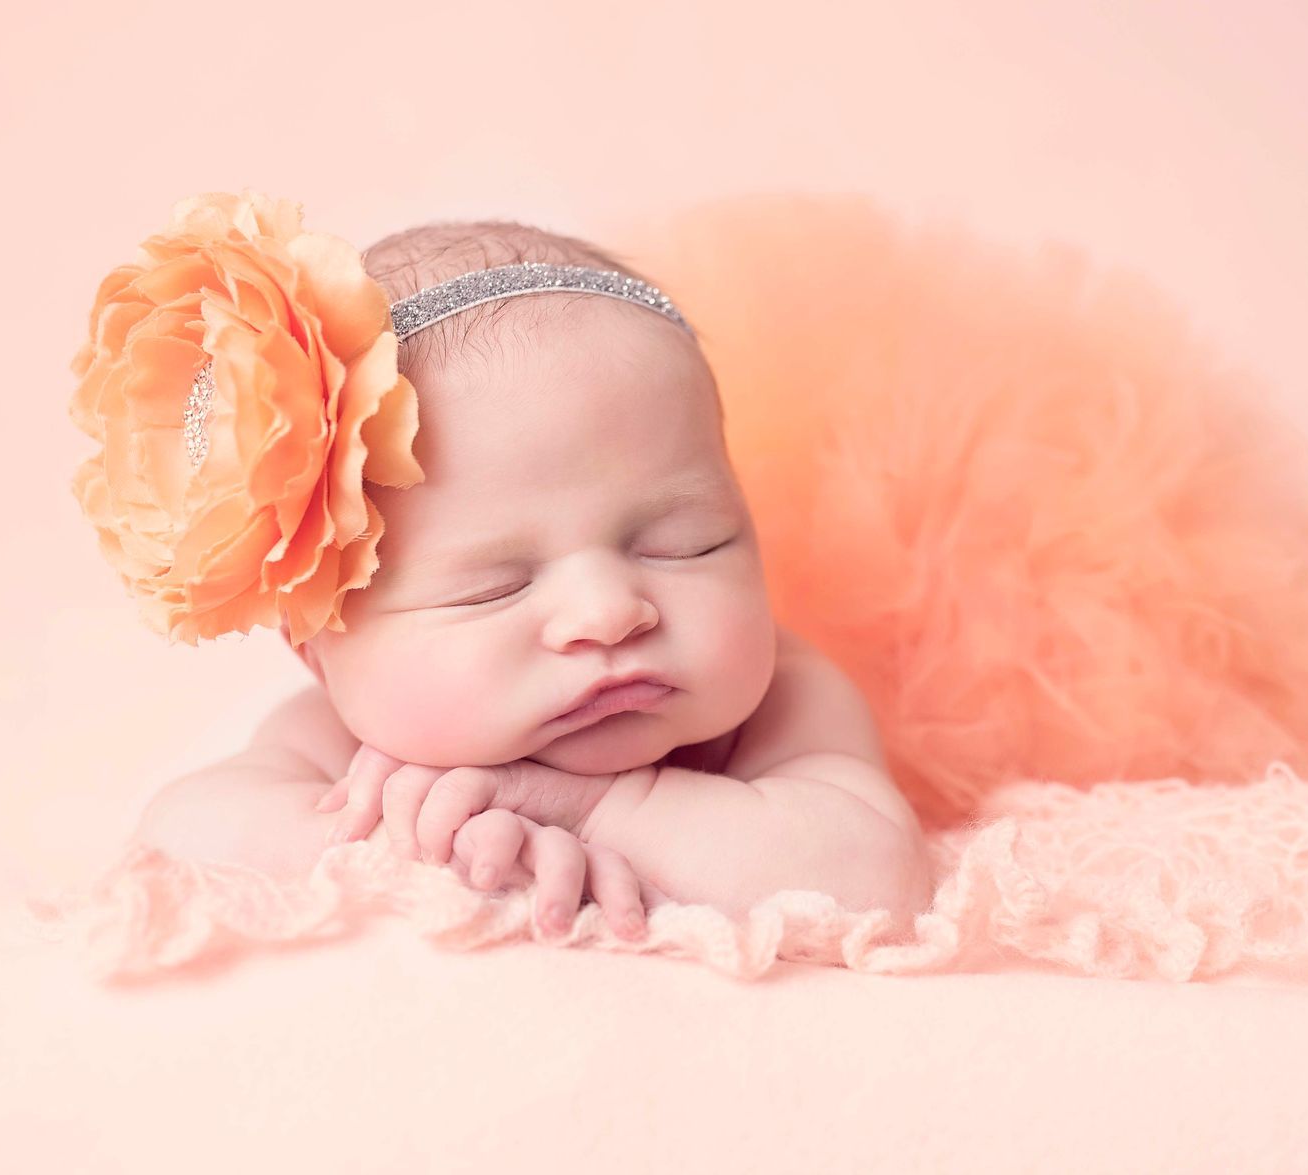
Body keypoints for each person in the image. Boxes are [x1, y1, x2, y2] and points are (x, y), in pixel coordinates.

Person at [74, 192, 932, 941]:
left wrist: (600, 810)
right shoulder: (342, 741)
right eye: (494, 587)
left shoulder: (783, 696)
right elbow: (180, 835)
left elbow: (876, 877)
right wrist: (418, 844)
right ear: (317, 647)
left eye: (686, 543)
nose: (609, 612)